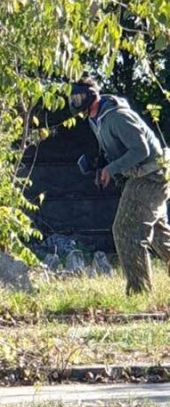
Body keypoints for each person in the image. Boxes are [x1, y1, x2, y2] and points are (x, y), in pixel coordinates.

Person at [70, 74, 170, 294]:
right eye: (73, 98)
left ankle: (139, 293)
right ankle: (141, 292)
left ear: (91, 96)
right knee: (161, 237)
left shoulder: (117, 116)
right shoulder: (95, 120)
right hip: (142, 176)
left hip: (152, 175)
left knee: (126, 229)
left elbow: (141, 150)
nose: (75, 102)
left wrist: (111, 169)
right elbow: (114, 151)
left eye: (79, 97)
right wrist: (101, 166)